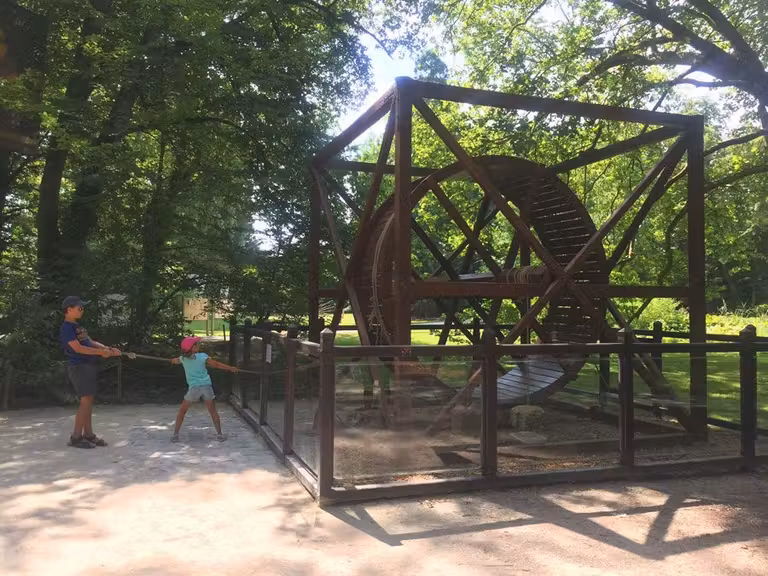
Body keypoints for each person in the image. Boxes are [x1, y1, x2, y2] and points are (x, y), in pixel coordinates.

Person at [60, 296, 121, 449]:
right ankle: (76, 437)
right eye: (79, 307)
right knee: (85, 401)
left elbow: (89, 341)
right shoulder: (67, 328)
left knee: (88, 402)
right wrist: (101, 353)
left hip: (87, 365)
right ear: (69, 309)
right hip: (79, 366)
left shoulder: (78, 327)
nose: (82, 310)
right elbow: (78, 348)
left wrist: (107, 349)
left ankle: (88, 434)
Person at [170, 336, 238, 443]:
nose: (198, 345)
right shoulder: (202, 357)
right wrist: (231, 368)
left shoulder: (182, 359)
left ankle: (175, 435)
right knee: (213, 411)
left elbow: (175, 361)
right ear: (192, 348)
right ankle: (220, 435)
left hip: (193, 389)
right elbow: (216, 364)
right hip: (206, 387)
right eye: (196, 344)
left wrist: (173, 361)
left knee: (182, 411)